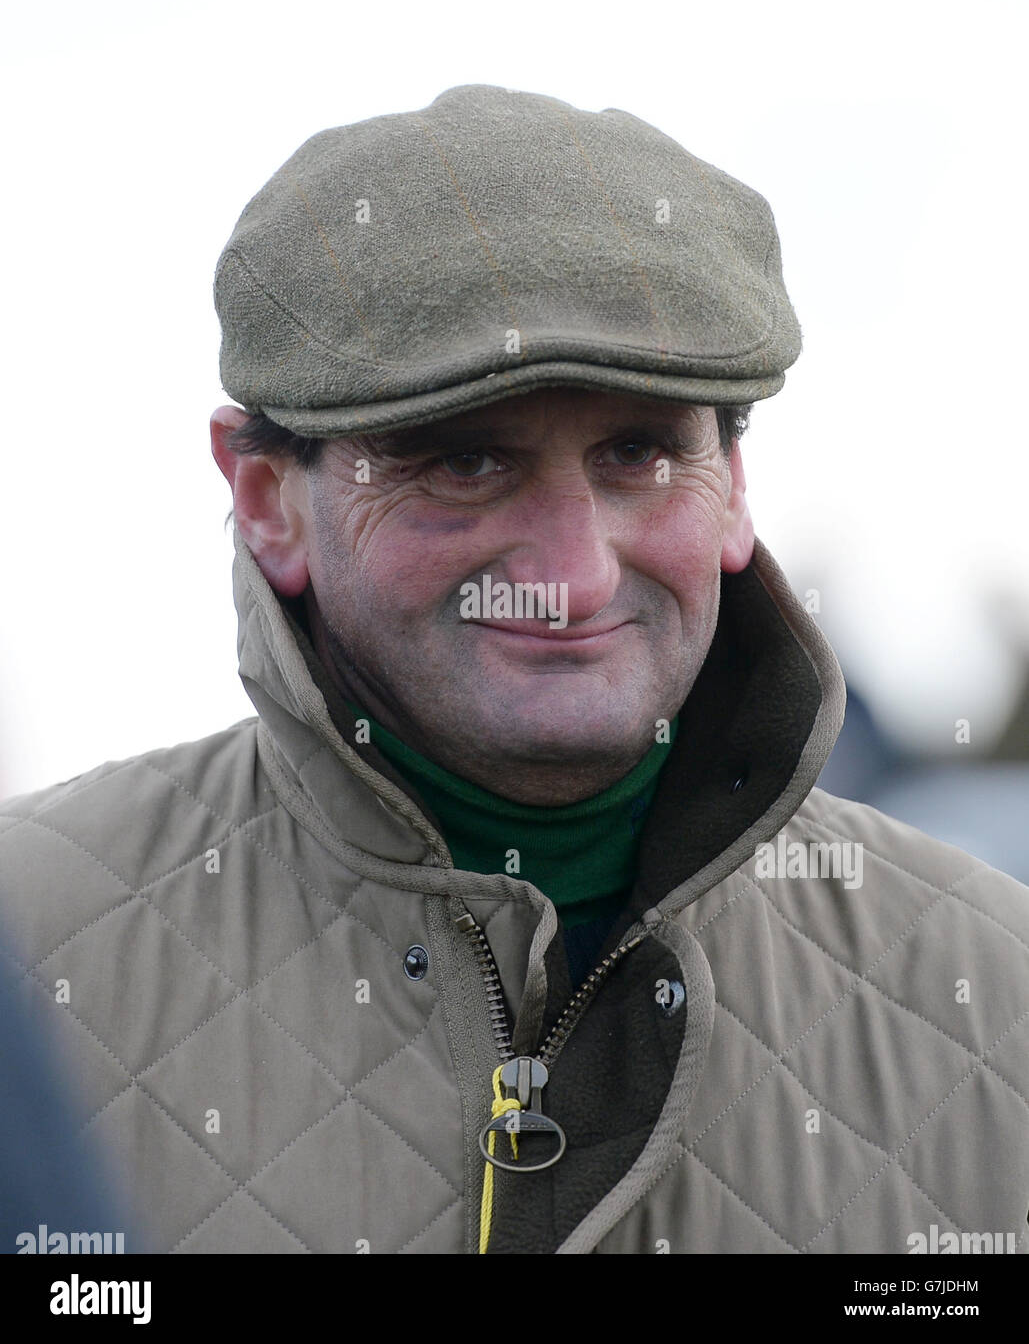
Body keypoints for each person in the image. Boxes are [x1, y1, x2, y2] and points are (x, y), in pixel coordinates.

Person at [1, 84, 1026, 1256]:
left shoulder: (999, 993)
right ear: (266, 500)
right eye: (468, 461)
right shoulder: (28, 955)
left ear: (735, 485)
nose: (574, 576)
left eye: (640, 452)